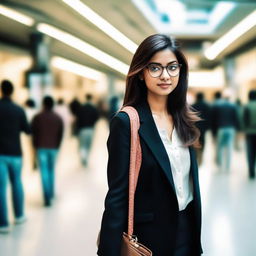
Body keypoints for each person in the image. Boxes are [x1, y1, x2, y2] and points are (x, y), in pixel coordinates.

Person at [98, 34, 203, 256]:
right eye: (155, 68)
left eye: (172, 67)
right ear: (141, 74)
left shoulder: (184, 118)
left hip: (188, 232)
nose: (165, 75)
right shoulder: (127, 122)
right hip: (150, 240)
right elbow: (117, 195)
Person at [0, 80, 30, 233]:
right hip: (16, 153)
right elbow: (27, 129)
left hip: (0, 154)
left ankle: (3, 224)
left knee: (1, 188)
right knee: (17, 182)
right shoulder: (18, 109)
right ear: (12, 91)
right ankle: (19, 215)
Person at [31, 96, 64, 206]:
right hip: (53, 148)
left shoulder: (37, 117)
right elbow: (60, 133)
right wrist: (57, 145)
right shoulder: (58, 118)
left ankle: (46, 196)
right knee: (51, 170)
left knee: (44, 171)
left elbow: (33, 133)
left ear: (43, 104)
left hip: (41, 147)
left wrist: (35, 146)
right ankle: (51, 193)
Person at [76, 94, 99, 166]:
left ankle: (83, 157)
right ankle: (86, 158)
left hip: (82, 129)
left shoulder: (81, 107)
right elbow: (97, 117)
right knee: (88, 145)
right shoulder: (93, 108)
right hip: (90, 129)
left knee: (82, 145)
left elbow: (78, 119)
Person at [192, 92, 211, 165]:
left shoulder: (193, 105)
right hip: (204, 127)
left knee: (195, 141)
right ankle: (201, 157)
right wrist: (208, 126)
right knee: (203, 141)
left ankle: (196, 155)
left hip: (195, 127)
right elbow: (209, 117)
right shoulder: (207, 106)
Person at [243, 89, 256, 179]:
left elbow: (244, 119)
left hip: (249, 133)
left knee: (250, 152)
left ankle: (251, 172)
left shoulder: (246, 106)